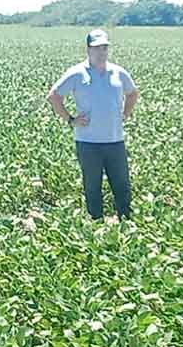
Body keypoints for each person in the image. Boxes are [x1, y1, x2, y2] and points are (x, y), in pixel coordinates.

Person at [47, 28, 140, 220]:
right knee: (92, 187)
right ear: (88, 49)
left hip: (115, 141)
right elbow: (54, 96)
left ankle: (127, 225)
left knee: (122, 186)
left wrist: (126, 114)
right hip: (88, 143)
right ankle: (96, 228)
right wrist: (71, 119)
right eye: (97, 48)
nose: (101, 52)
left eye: (104, 48)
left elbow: (133, 93)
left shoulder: (118, 72)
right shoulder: (77, 73)